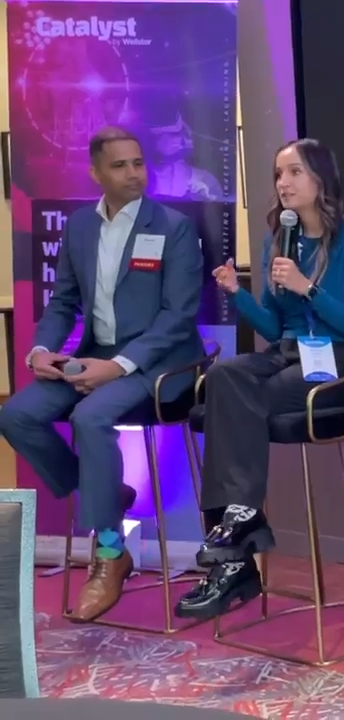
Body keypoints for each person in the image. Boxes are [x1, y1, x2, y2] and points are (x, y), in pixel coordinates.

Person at [0, 126, 204, 622]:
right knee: (16, 414)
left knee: (91, 417)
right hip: (94, 354)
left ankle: (110, 553)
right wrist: (42, 350)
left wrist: (116, 366)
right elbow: (63, 302)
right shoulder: (79, 227)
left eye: (138, 163)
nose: (134, 173)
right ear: (96, 173)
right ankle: (105, 492)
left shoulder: (173, 226)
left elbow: (179, 316)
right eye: (120, 165)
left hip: (160, 363)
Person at [174, 139, 344, 620]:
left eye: (292, 173)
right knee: (225, 374)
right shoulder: (277, 239)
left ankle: (231, 558)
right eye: (277, 175)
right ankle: (240, 523)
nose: (283, 184)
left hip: (341, 359)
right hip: (288, 353)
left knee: (240, 401)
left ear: (319, 179)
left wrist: (308, 288)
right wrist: (239, 294)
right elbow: (273, 326)